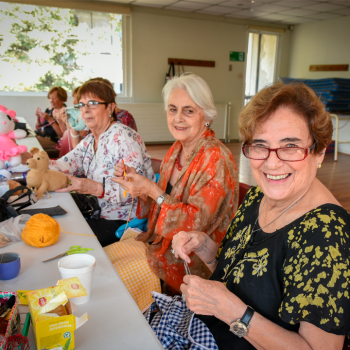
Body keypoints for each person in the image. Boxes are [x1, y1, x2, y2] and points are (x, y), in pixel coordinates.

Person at [172, 81, 350, 350]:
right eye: (260, 145)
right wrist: (206, 249)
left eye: (290, 146)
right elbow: (244, 275)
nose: (272, 162)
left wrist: (234, 313)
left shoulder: (326, 235)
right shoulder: (258, 196)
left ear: (319, 152)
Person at [111, 73, 239, 293]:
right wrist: (138, 184)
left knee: (110, 283)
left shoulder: (216, 158)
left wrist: (150, 188)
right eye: (172, 109)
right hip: (158, 244)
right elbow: (160, 204)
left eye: (188, 111)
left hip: (188, 261)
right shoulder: (176, 149)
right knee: (103, 263)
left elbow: (194, 226)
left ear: (206, 115)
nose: (178, 118)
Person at [49, 80, 155, 247]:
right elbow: (65, 164)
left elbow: (137, 190)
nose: (85, 110)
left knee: (63, 240)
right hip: (98, 212)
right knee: (54, 226)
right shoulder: (90, 140)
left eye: (93, 103)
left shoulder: (124, 137)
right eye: (81, 105)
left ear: (110, 107)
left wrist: (93, 187)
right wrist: (38, 168)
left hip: (123, 221)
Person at [35, 86, 67, 158]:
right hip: (42, 136)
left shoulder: (64, 113)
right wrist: (38, 117)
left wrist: (50, 119)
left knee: (33, 142)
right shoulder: (49, 109)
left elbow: (63, 135)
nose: (51, 100)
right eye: (50, 98)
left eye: (54, 98)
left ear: (62, 99)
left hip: (54, 141)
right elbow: (38, 128)